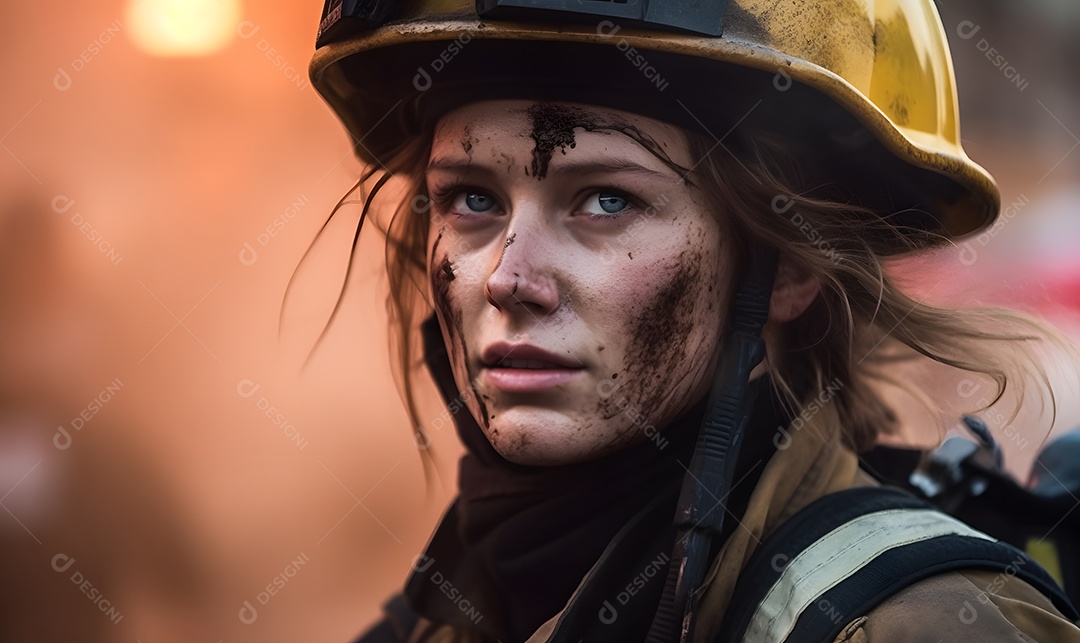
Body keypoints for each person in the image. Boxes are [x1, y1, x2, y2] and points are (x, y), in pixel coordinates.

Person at [304, 1, 1080, 641]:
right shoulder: (443, 612)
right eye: (472, 198)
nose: (508, 278)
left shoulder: (920, 626)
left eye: (607, 199)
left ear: (794, 265)